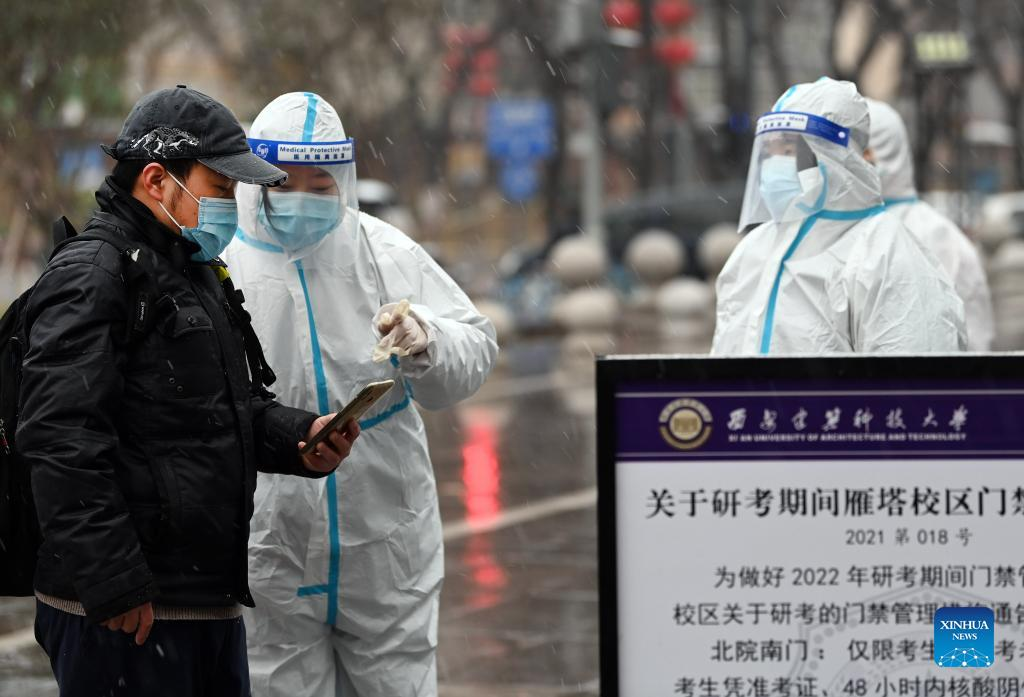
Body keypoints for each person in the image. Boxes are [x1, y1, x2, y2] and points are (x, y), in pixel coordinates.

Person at [18, 86, 360, 697]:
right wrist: (113, 581)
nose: (230, 206)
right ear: (156, 180)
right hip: (130, 614)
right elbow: (60, 439)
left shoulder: (192, 271)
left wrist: (299, 437)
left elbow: (217, 410)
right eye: (221, 188)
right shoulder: (92, 277)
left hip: (204, 600)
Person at [222, 92, 498, 696]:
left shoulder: (383, 251)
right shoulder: (221, 262)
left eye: (320, 186)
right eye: (283, 182)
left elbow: (477, 348)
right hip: (269, 536)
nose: (302, 198)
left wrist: (428, 340)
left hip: (383, 536)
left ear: (342, 180)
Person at [711, 77, 966, 355]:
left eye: (788, 150)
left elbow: (911, 373)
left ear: (833, 158)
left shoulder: (884, 253)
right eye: (770, 152)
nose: (775, 166)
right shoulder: (752, 250)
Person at [864, 97, 995, 350]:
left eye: (861, 150)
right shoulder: (819, 231)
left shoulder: (936, 236)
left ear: (883, 153)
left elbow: (971, 343)